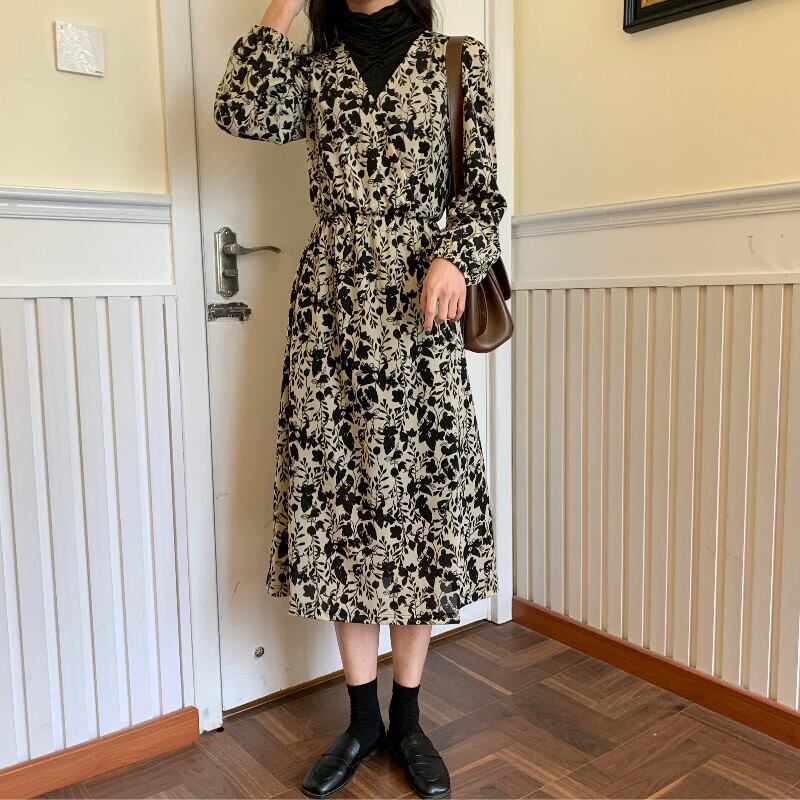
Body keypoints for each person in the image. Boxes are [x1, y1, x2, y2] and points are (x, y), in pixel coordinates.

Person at [214, 0, 506, 796]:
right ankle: (360, 719)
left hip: (420, 317)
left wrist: (455, 256)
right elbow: (240, 108)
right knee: (342, 509)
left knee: (418, 510)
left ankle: (407, 717)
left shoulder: (458, 60)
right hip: (331, 318)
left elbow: (483, 197)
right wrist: (283, 5)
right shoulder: (314, 69)